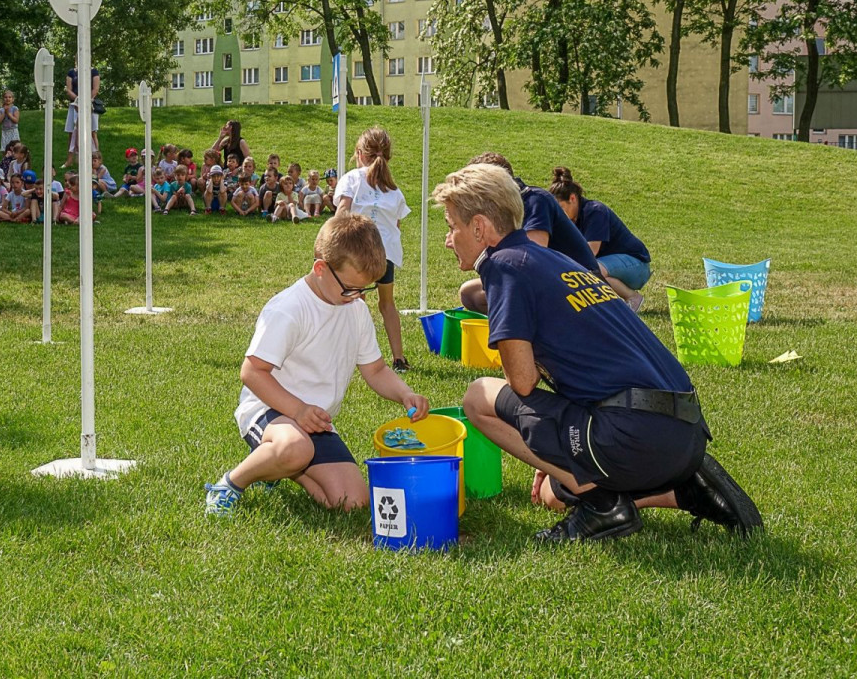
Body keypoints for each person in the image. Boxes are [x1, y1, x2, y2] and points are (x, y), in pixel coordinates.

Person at [431, 164, 762, 542]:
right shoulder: (561, 261)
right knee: (551, 495)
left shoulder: (503, 265)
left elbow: (522, 382)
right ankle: (688, 489)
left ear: (478, 227)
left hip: (633, 435)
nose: (447, 238)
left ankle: (605, 507)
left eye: (451, 224)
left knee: (477, 397)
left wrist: (543, 433)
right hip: (683, 431)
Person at [203, 214, 430, 516]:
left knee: (352, 503)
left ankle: (277, 467)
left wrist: (405, 394)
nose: (358, 297)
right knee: (296, 449)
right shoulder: (289, 309)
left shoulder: (355, 310)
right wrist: (297, 410)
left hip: (314, 422)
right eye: (350, 288)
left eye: (365, 290)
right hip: (270, 410)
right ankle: (232, 483)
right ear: (321, 269)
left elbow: (375, 370)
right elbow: (252, 372)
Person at [457, 152, 603, 315]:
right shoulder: (500, 211)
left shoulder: (535, 200)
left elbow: (531, 259)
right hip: (551, 281)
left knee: (509, 289)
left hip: (580, 283)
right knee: (470, 294)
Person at [334, 127, 412, 374]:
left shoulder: (352, 178)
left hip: (358, 250)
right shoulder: (394, 190)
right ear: (387, 157)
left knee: (354, 301)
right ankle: (398, 358)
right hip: (385, 254)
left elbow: (342, 211)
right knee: (387, 304)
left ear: (359, 153)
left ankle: (355, 355)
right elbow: (396, 225)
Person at [548, 167, 651, 312]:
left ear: (572, 198)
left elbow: (590, 252)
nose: (560, 214)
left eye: (561, 208)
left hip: (637, 266)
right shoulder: (571, 220)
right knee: (588, 271)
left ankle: (632, 298)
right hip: (608, 267)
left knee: (589, 270)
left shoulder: (595, 211)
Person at [63, 63, 100, 168]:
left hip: (90, 103)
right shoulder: (72, 72)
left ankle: (96, 158)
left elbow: (96, 88)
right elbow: (68, 89)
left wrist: (86, 100)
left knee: (92, 132)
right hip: (74, 104)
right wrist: (78, 100)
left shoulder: (94, 71)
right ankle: (70, 159)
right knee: (72, 132)